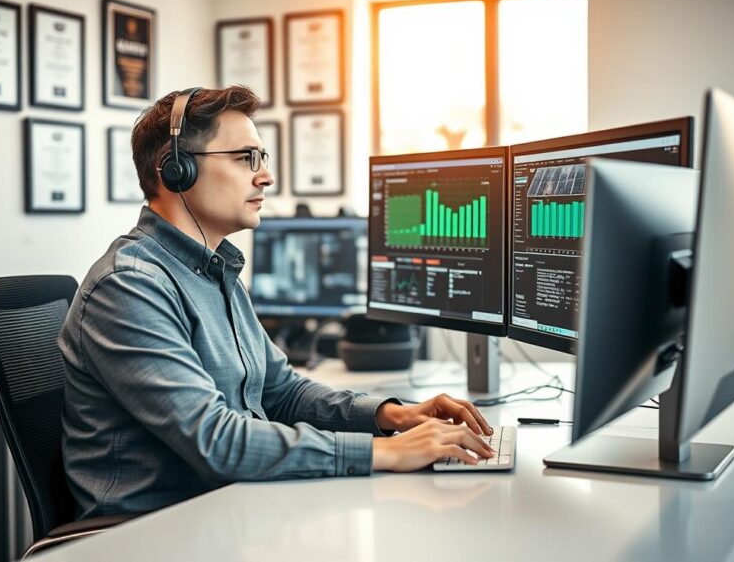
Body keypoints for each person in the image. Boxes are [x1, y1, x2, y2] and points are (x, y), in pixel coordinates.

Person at [59, 86, 494, 519]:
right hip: (151, 534)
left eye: (262, 159)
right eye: (246, 158)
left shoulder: (216, 271)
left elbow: (282, 391)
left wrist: (393, 416)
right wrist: (386, 452)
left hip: (226, 510)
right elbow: (217, 441)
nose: (265, 176)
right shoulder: (130, 287)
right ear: (177, 170)